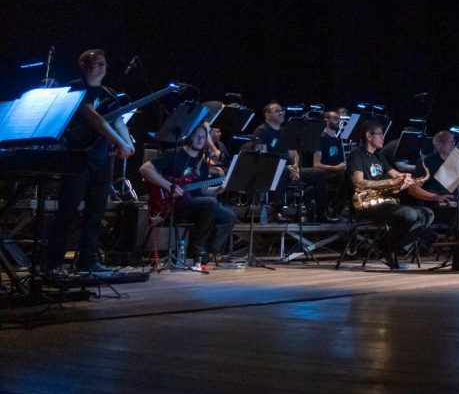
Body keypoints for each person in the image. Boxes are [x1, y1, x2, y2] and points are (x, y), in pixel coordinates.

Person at [46, 49, 135, 274]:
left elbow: (118, 120)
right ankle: (53, 262)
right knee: (67, 211)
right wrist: (119, 142)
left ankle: (89, 260)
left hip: (103, 159)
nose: (102, 67)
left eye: (104, 63)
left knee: (96, 212)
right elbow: (94, 118)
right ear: (84, 65)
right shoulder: (75, 88)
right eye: (97, 63)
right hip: (78, 157)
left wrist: (128, 143)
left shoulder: (108, 92)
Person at [138, 124, 237, 264]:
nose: (200, 139)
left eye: (203, 137)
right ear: (189, 136)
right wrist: (168, 185)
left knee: (229, 216)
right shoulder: (174, 153)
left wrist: (217, 190)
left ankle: (207, 254)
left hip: (193, 204)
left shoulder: (202, 163)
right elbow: (145, 169)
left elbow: (201, 192)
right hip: (170, 204)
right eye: (197, 135)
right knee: (210, 203)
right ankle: (196, 249)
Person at [347, 119, 433, 269]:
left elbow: (395, 174)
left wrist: (406, 178)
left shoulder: (379, 156)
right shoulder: (357, 155)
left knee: (427, 214)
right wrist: (390, 183)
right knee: (410, 215)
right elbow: (359, 183)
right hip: (365, 203)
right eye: (380, 135)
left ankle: (385, 247)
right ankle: (386, 248)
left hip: (384, 203)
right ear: (369, 136)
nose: (383, 138)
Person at [407, 130, 459, 263]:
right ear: (439, 145)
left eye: (454, 142)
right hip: (437, 206)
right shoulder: (427, 162)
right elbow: (413, 189)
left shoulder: (455, 162)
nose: (454, 145)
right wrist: (435, 197)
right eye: (450, 142)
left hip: (456, 203)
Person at [249, 101, 333, 223]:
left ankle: (320, 213)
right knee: (282, 170)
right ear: (267, 115)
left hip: (290, 169)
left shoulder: (285, 131)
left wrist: (295, 166)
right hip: (271, 170)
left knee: (320, 174)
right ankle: (277, 210)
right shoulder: (261, 131)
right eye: (277, 111)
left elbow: (294, 153)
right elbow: (262, 157)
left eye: (282, 110)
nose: (281, 113)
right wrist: (287, 167)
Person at [312, 109, 348, 216]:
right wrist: (335, 168)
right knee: (344, 176)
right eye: (335, 118)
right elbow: (316, 164)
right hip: (323, 174)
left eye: (339, 119)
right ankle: (336, 211)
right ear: (326, 121)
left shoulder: (338, 141)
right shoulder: (320, 138)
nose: (338, 121)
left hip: (337, 174)